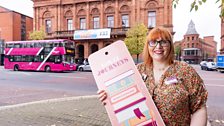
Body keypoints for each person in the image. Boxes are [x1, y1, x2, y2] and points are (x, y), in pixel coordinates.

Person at [98, 27, 208, 126]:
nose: (158, 46)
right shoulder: (137, 70)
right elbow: (123, 98)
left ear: (170, 45)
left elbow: (199, 108)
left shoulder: (186, 71)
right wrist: (109, 97)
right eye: (153, 42)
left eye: (163, 42)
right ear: (147, 46)